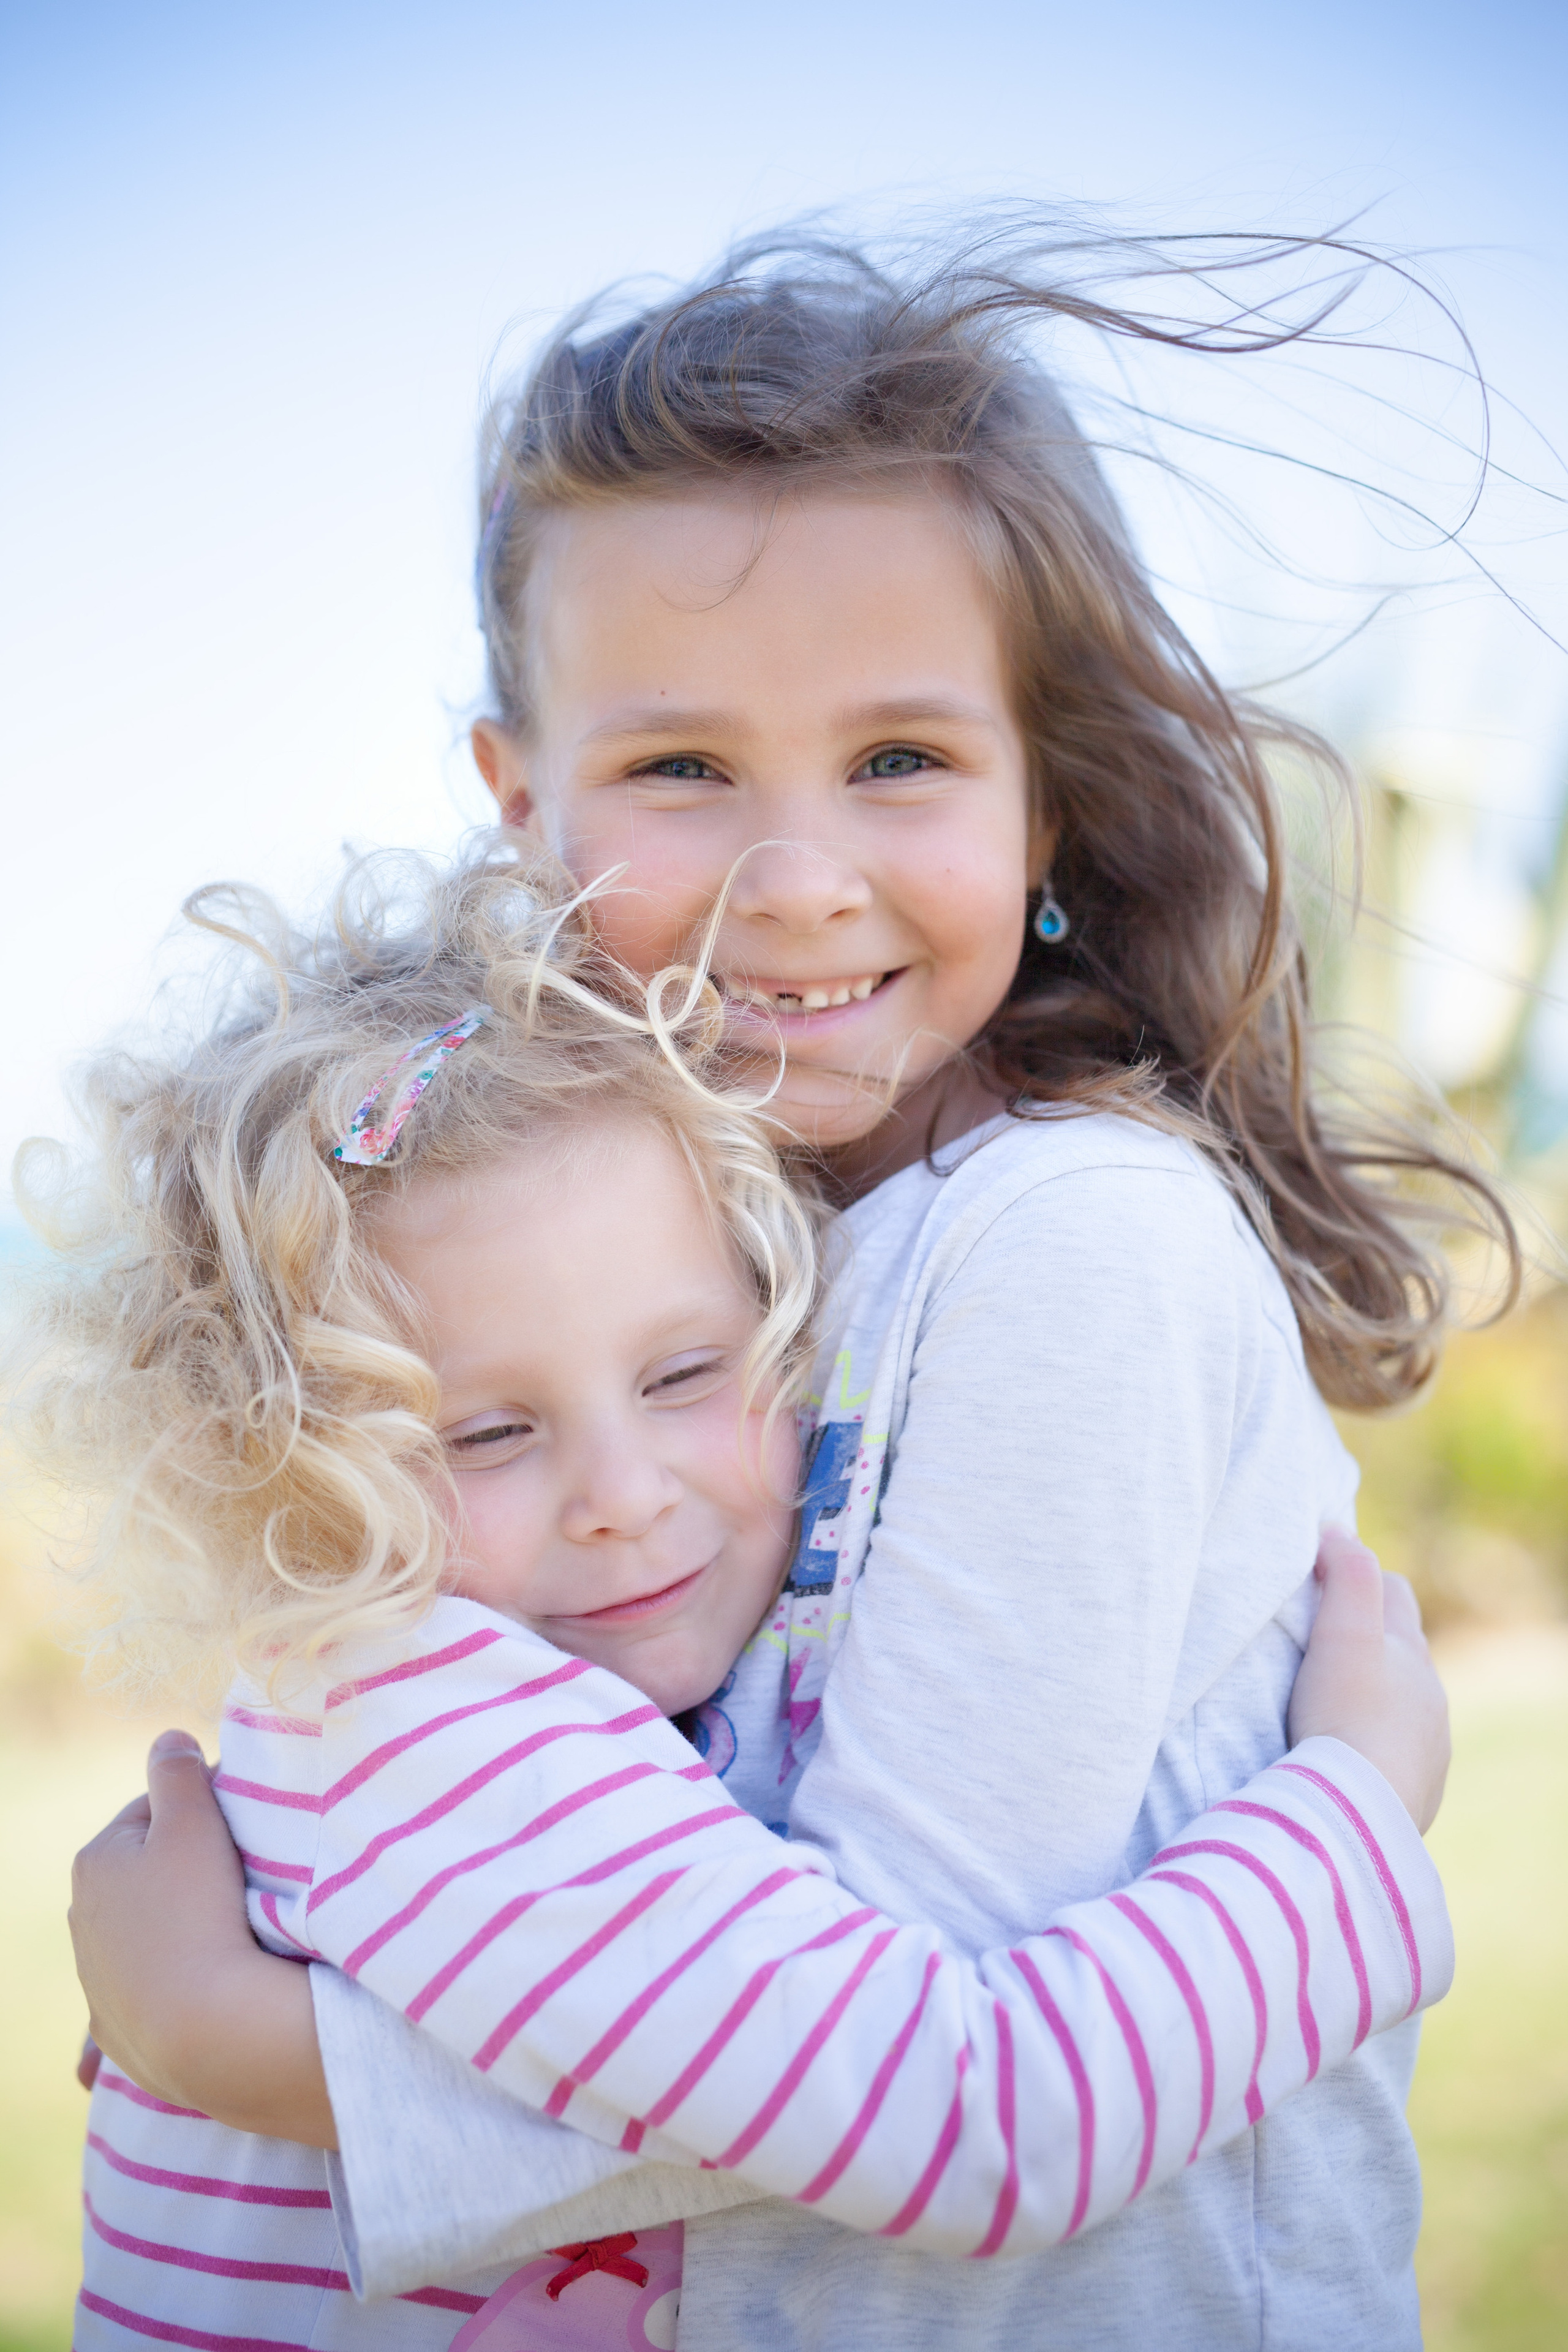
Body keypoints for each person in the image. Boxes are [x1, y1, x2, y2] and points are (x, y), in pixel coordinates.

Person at [66, 224, 1505, 2350]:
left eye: (902, 760)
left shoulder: (1066, 1244)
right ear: (520, 801)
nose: (799, 875)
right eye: (680, 768)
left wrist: (267, 2064)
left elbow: (900, 2052)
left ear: (1045, 796)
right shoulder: (625, 1253)